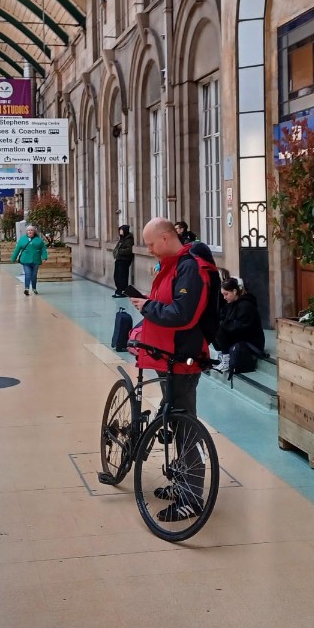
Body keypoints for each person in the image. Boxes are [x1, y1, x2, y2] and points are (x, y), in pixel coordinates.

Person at [129, 217, 217, 521]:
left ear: (166, 238)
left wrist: (146, 307)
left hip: (182, 359)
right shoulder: (173, 265)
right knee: (175, 422)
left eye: (151, 244)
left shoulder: (189, 268)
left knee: (184, 426)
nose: (149, 249)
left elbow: (183, 315)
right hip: (166, 356)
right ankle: (181, 482)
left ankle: (192, 498)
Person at [213, 277, 267, 373]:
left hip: (251, 342)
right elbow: (224, 319)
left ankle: (226, 359)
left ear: (234, 291)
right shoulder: (231, 304)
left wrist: (223, 326)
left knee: (220, 330)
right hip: (240, 337)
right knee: (213, 327)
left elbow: (241, 326)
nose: (224, 297)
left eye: (226, 294)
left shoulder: (246, 305)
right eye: (223, 295)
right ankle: (221, 356)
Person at [11, 224, 48, 296]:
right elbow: (17, 249)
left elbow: (43, 249)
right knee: (27, 274)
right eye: (28, 230)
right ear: (26, 232)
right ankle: (27, 289)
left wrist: (44, 257)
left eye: (31, 230)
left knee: (34, 276)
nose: (30, 231)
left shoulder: (39, 240)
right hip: (26, 260)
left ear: (34, 231)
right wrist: (13, 258)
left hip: (36, 260)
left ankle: (34, 288)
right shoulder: (22, 239)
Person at [112, 224, 134, 298]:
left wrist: (119, 251)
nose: (120, 232)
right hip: (119, 259)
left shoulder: (129, 239)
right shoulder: (122, 239)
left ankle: (122, 291)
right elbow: (117, 248)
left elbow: (129, 250)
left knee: (122, 277)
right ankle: (119, 290)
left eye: (122, 231)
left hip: (124, 260)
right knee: (116, 276)